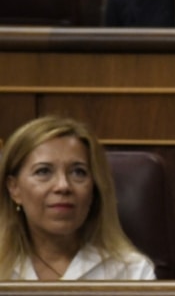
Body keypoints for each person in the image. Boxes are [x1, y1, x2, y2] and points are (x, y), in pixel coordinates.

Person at [1, 115, 155, 280]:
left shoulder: (131, 272)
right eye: (43, 171)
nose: (63, 186)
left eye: (78, 172)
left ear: (94, 188)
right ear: (14, 188)